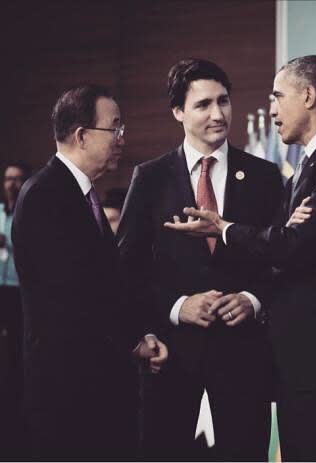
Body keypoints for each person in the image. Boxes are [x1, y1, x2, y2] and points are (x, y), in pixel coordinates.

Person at [165, 55, 316, 461]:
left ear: (308, 95)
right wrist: (287, 234)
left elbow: (292, 245)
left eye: (277, 96)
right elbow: (284, 244)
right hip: (305, 363)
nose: (270, 109)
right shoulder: (311, 166)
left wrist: (225, 228)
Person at [117, 58, 283, 460]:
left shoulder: (265, 176)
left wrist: (252, 299)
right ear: (178, 112)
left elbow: (284, 261)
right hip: (171, 357)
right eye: (203, 104)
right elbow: (126, 270)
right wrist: (177, 307)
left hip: (244, 358)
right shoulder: (150, 178)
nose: (217, 114)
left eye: (223, 101)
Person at [11, 84, 168, 457]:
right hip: (69, 392)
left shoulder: (78, 193)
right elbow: (75, 297)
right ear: (81, 135)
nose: (121, 139)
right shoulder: (45, 196)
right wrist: (135, 342)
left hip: (95, 387)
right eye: (114, 128)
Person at [0, 161, 30, 455]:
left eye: (18, 178)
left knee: (20, 341)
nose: (12, 183)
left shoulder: (27, 210)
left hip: (20, 288)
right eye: (9, 178)